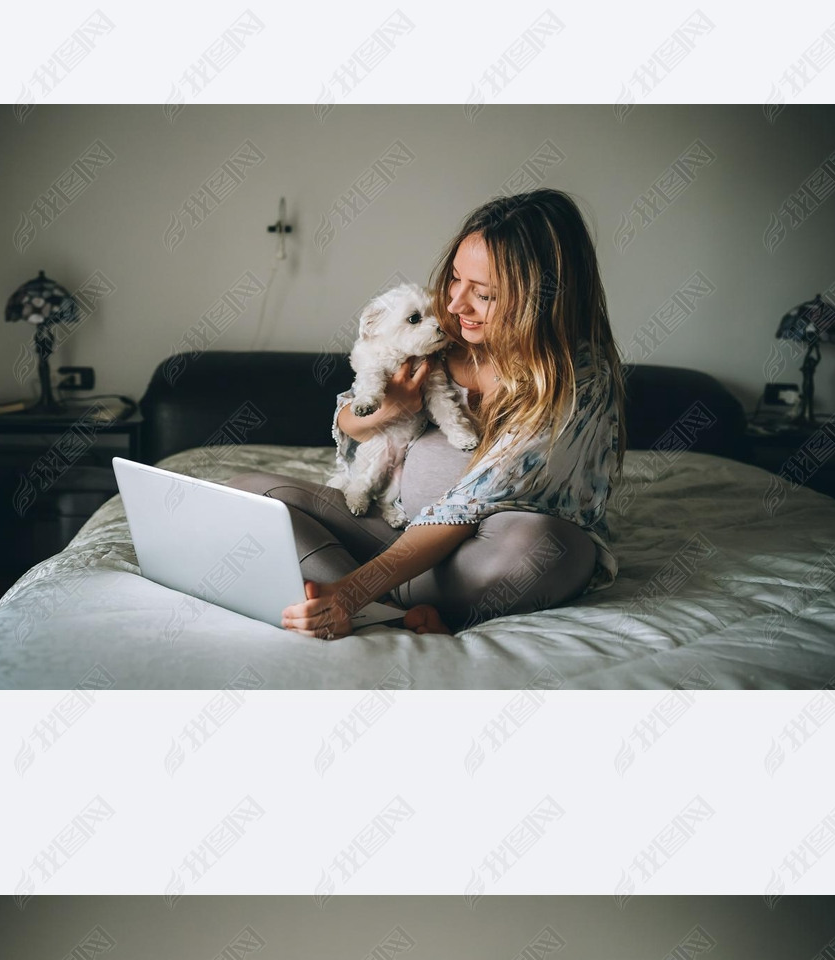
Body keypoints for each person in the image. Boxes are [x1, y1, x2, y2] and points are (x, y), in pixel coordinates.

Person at [224, 190, 626, 639]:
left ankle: (359, 597)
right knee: (247, 493)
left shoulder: (576, 377)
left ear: (542, 300)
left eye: (485, 294)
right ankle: (397, 610)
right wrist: (387, 409)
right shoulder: (442, 336)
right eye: (456, 278)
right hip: (396, 533)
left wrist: (351, 592)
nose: (455, 304)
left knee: (544, 548)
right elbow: (348, 418)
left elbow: (473, 500)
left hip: (485, 555)